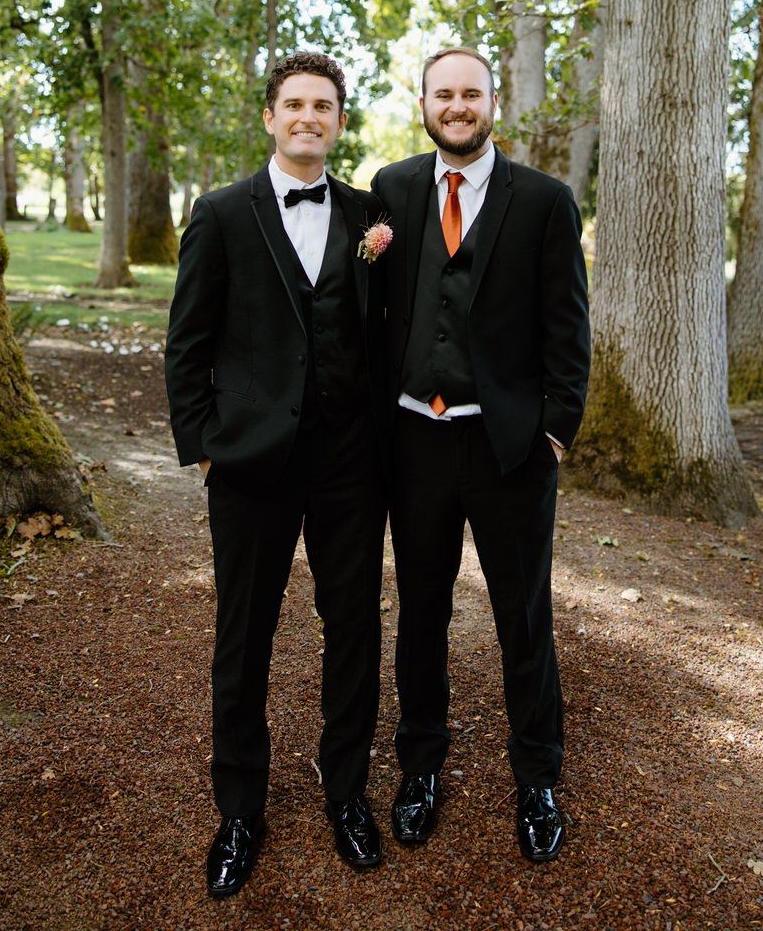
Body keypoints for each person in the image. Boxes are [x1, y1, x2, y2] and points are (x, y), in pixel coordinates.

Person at [165, 50, 388, 897]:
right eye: (293, 104)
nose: (308, 118)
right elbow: (186, 344)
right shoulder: (221, 213)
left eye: (323, 106)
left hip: (348, 466)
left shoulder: (372, 215)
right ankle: (239, 811)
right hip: (251, 464)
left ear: (338, 120)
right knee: (244, 635)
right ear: (269, 117)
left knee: (354, 631)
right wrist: (208, 446)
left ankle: (347, 795)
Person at [371, 47, 590, 864]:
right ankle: (420, 766)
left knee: (522, 616)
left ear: (493, 102)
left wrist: (553, 432)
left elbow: (570, 332)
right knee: (421, 612)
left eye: (471, 93)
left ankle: (536, 776)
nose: (457, 106)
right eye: (443, 94)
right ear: (423, 103)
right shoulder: (390, 192)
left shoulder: (544, 201)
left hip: (508, 449)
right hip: (413, 439)